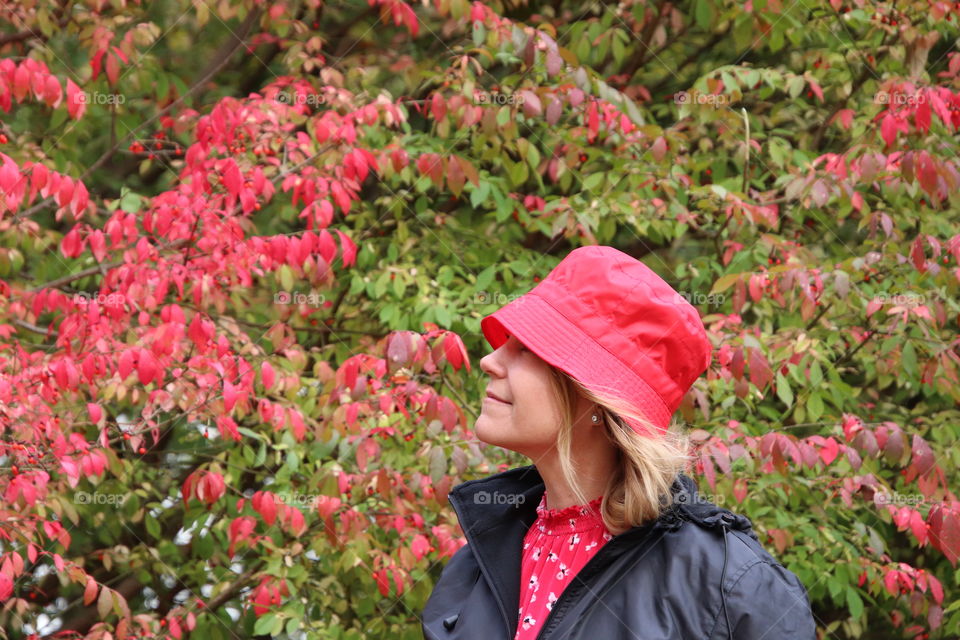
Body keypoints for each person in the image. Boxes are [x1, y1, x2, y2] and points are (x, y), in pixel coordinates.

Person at [421, 245, 817, 640]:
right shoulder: (481, 560)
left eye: (526, 348)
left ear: (596, 397)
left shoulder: (727, 586)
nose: (490, 360)